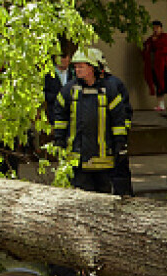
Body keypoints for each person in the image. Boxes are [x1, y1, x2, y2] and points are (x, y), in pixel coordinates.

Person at [52, 48, 128, 193]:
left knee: (104, 198)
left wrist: (120, 143)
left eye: (81, 66)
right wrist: (59, 140)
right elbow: (59, 117)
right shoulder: (68, 91)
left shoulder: (109, 90)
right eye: (75, 67)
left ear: (92, 68)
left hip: (103, 160)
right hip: (78, 160)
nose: (77, 70)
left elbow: (118, 120)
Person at [91, 48, 134, 196]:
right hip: (95, 144)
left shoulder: (114, 84)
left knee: (120, 176)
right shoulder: (82, 86)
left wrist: (121, 139)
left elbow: (125, 113)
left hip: (113, 141)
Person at [142, 20, 167, 111]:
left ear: (161, 28)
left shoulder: (165, 37)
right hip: (154, 67)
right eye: (154, 28)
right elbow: (145, 49)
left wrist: (155, 42)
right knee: (158, 85)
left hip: (164, 65)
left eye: (157, 28)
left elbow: (166, 49)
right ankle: (161, 104)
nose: (155, 30)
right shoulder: (150, 39)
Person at [43, 51, 73, 124]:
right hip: (53, 115)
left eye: (64, 57)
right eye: (59, 57)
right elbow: (44, 94)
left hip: (71, 116)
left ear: (69, 58)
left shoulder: (74, 73)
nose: (62, 60)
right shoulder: (47, 74)